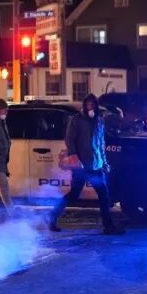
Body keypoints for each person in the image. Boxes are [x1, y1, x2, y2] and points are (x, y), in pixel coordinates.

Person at [50, 94, 123, 234]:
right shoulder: (77, 120)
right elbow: (70, 140)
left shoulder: (99, 121)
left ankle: (108, 226)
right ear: (85, 105)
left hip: (96, 165)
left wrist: (104, 162)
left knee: (104, 195)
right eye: (88, 105)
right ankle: (52, 217)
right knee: (74, 194)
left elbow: (101, 143)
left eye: (92, 105)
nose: (90, 107)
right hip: (81, 166)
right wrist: (74, 156)